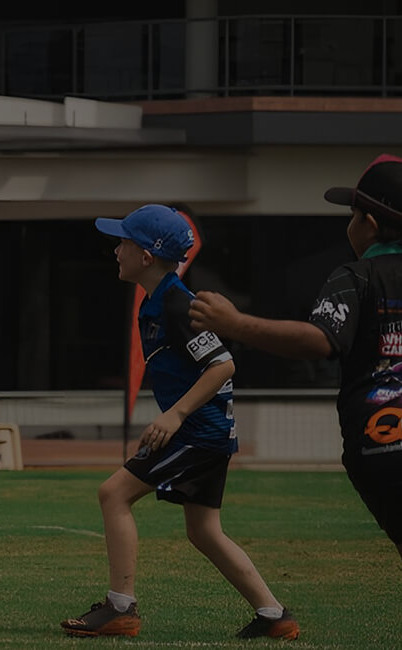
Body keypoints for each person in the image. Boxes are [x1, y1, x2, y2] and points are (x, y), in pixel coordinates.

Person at [190, 156, 402, 649]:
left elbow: (320, 339)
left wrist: (234, 322)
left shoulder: (355, 277)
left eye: (352, 214)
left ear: (369, 224)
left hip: (379, 452)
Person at [60, 205, 298, 640]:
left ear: (146, 257)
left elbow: (223, 365)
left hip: (200, 433)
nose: (116, 250)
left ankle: (120, 608)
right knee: (204, 531)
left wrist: (175, 414)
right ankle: (273, 616)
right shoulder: (160, 301)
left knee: (113, 493)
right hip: (205, 432)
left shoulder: (176, 304)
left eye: (123, 243)